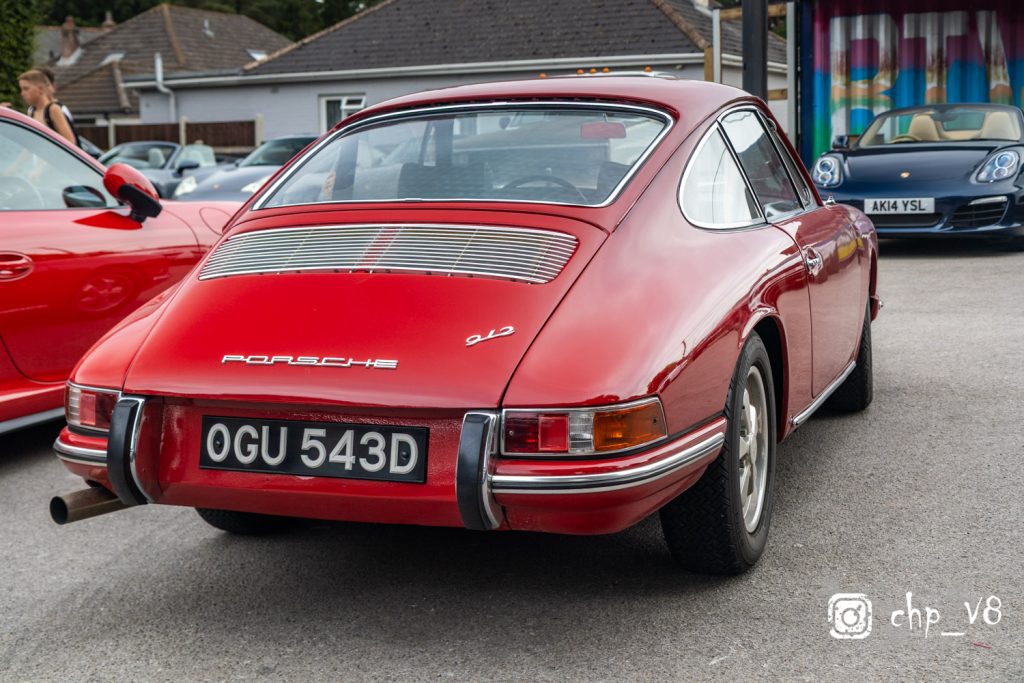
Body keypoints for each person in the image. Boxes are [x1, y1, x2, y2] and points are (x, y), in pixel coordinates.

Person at [18, 69, 77, 146]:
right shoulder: (32, 111)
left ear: (40, 89)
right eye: (21, 89)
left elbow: (70, 142)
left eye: (26, 89)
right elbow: (31, 145)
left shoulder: (53, 109)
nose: (22, 93)